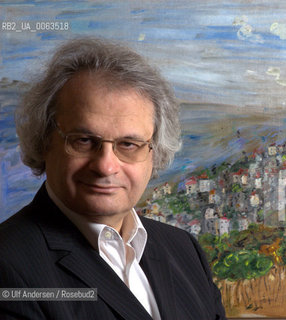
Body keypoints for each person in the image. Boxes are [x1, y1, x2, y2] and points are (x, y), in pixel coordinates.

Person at [0, 38, 227, 320]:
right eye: (83, 140)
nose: (106, 166)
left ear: (154, 154)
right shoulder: (8, 266)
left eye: (128, 144)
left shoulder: (184, 250)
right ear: (44, 141)